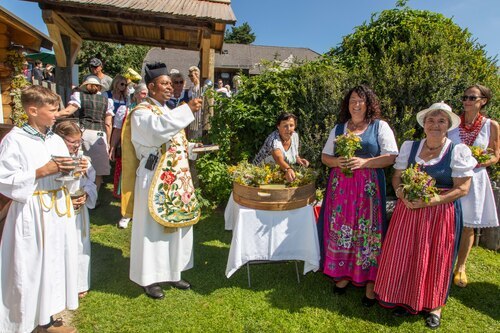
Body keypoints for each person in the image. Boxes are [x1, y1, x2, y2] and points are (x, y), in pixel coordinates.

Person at [374, 102, 476, 329]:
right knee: (404, 252)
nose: (435, 125)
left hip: (439, 213)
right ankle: (402, 297)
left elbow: (463, 188)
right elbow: (397, 178)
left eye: (441, 121)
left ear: (448, 126)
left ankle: (434, 306)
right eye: (431, 120)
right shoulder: (410, 147)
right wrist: (401, 194)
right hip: (408, 209)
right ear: (424, 125)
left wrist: (433, 200)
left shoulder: (457, 151)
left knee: (435, 256)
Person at [0, 85, 79, 333]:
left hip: (56, 208)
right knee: (30, 267)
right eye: (52, 109)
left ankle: (46, 318)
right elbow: (4, 178)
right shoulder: (15, 140)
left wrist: (75, 170)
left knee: (53, 263)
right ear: (32, 111)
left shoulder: (55, 139)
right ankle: (24, 323)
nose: (57, 114)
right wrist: (40, 172)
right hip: (32, 211)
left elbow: (65, 175)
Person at [121, 62, 202, 299]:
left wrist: (194, 148)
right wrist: (187, 110)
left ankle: (174, 271)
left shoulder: (168, 111)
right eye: (165, 84)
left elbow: (175, 140)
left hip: (176, 177)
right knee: (152, 230)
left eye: (171, 84)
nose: (170, 88)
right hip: (153, 175)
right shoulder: (142, 113)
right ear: (151, 86)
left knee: (177, 225)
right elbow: (157, 132)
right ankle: (149, 278)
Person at [320, 85, 398, 307]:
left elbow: (391, 156)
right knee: (342, 228)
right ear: (347, 103)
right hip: (341, 189)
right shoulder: (338, 129)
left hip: (368, 190)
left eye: (361, 100)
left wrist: (365, 162)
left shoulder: (379, 126)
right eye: (352, 100)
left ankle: (370, 283)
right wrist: (336, 162)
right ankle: (342, 275)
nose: (356, 104)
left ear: (368, 104)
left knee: (368, 230)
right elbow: (325, 156)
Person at [448, 85, 499, 288]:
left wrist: (477, 160)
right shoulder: (453, 123)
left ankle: (460, 266)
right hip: (452, 177)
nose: (467, 101)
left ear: (483, 101)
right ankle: (443, 262)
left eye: (472, 97)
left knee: (468, 224)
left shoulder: (491, 125)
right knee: (449, 221)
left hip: (475, 177)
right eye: (464, 97)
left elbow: (495, 155)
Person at [54, 121, 97, 299]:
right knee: (62, 246)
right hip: (59, 208)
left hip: (79, 209)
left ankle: (80, 283)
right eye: (73, 142)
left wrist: (86, 193)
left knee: (81, 245)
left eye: (79, 142)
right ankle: (61, 284)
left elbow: (90, 182)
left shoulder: (83, 159)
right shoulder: (54, 160)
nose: (77, 146)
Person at [58, 75, 114, 193]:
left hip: (83, 133)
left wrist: (55, 115)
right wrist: (108, 142)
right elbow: (108, 124)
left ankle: (77, 191)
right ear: (100, 88)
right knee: (98, 169)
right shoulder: (107, 101)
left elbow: (68, 111)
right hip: (100, 135)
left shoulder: (79, 96)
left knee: (80, 164)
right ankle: (93, 194)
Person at [110, 83, 148, 229]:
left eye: (147, 93)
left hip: (146, 150)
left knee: (145, 180)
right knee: (128, 180)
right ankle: (126, 214)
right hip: (129, 150)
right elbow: (117, 130)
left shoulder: (151, 110)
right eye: (143, 93)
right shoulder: (124, 109)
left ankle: (142, 213)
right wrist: (113, 146)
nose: (145, 96)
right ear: (136, 94)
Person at [252, 113, 309, 181]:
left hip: (278, 172)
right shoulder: (273, 139)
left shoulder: (295, 136)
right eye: (285, 126)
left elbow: (294, 153)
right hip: (260, 173)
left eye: (291, 125)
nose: (288, 129)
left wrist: (299, 160)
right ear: (278, 126)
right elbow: (278, 158)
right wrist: (288, 169)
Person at [106, 75, 130, 198]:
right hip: (109, 123)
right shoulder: (107, 95)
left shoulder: (125, 98)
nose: (124, 87)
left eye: (125, 85)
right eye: (122, 84)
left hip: (119, 125)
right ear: (115, 84)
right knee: (109, 147)